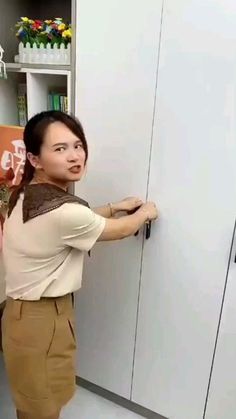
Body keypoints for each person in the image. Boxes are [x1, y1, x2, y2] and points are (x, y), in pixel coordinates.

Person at [1, 110, 158, 419]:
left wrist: (115, 206)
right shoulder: (64, 213)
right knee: (42, 410)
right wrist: (144, 213)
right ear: (35, 159)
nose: (75, 156)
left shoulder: (26, 194)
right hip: (41, 319)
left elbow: (73, 222)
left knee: (33, 402)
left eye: (78, 145)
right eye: (60, 149)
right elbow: (115, 230)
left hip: (23, 315)